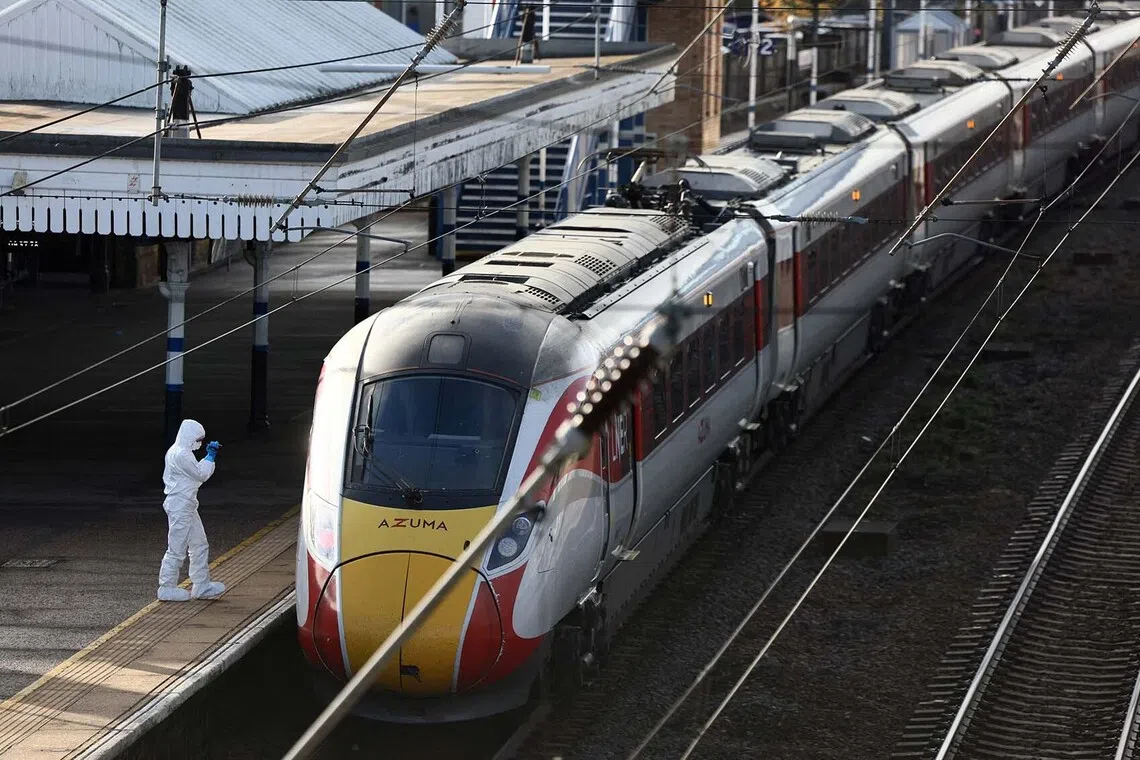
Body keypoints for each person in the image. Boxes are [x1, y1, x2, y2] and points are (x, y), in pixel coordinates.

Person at [157, 419, 226, 601]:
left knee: (199, 544)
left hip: (186, 504)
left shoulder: (180, 452)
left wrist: (206, 459)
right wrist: (210, 457)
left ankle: (201, 585)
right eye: (198, 439)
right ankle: (167, 587)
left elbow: (194, 474)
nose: (200, 443)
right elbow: (200, 474)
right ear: (189, 437)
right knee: (177, 548)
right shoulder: (181, 455)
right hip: (180, 506)